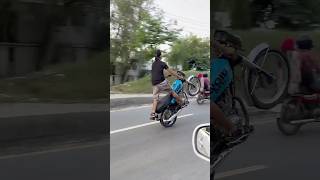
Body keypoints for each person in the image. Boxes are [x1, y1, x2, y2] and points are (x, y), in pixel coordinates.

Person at [150, 49, 185, 120]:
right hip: (162, 82)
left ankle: (153, 114)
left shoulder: (153, 64)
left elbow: (157, 73)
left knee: (155, 98)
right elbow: (171, 71)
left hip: (154, 83)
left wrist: (166, 76)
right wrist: (178, 76)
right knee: (172, 92)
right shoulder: (163, 63)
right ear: (161, 56)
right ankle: (181, 102)